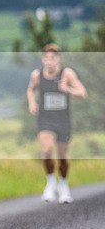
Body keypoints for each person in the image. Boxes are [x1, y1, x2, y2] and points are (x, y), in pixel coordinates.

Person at [26, 43, 87, 203]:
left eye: (53, 58)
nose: (49, 61)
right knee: (46, 149)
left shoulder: (66, 74)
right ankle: (51, 181)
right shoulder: (37, 75)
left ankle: (64, 184)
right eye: (46, 58)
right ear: (43, 60)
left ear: (58, 59)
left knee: (63, 157)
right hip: (45, 119)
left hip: (63, 120)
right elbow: (31, 89)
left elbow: (82, 93)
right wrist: (32, 103)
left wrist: (67, 89)